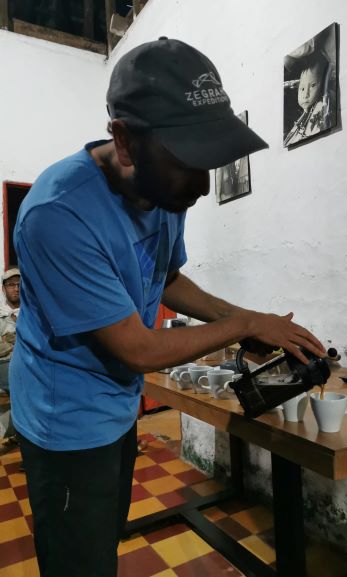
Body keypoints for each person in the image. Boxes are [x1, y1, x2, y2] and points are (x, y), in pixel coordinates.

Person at [10, 37, 325, 577]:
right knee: (79, 563)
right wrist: (244, 323)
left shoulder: (163, 188)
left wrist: (239, 322)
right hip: (66, 421)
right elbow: (138, 348)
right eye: (188, 163)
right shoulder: (58, 214)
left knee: (103, 541)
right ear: (125, 141)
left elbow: (166, 276)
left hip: (115, 405)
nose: (202, 186)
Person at [283, 52, 333, 146]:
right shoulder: (303, 114)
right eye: (302, 89)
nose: (306, 95)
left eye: (313, 85)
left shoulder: (320, 107)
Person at [0, 268, 20, 443]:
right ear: (3, 288)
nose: (16, 288)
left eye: (19, 284)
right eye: (11, 284)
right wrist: (10, 345)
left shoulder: (33, 311)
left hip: (28, 362)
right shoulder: (1, 313)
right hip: (5, 364)